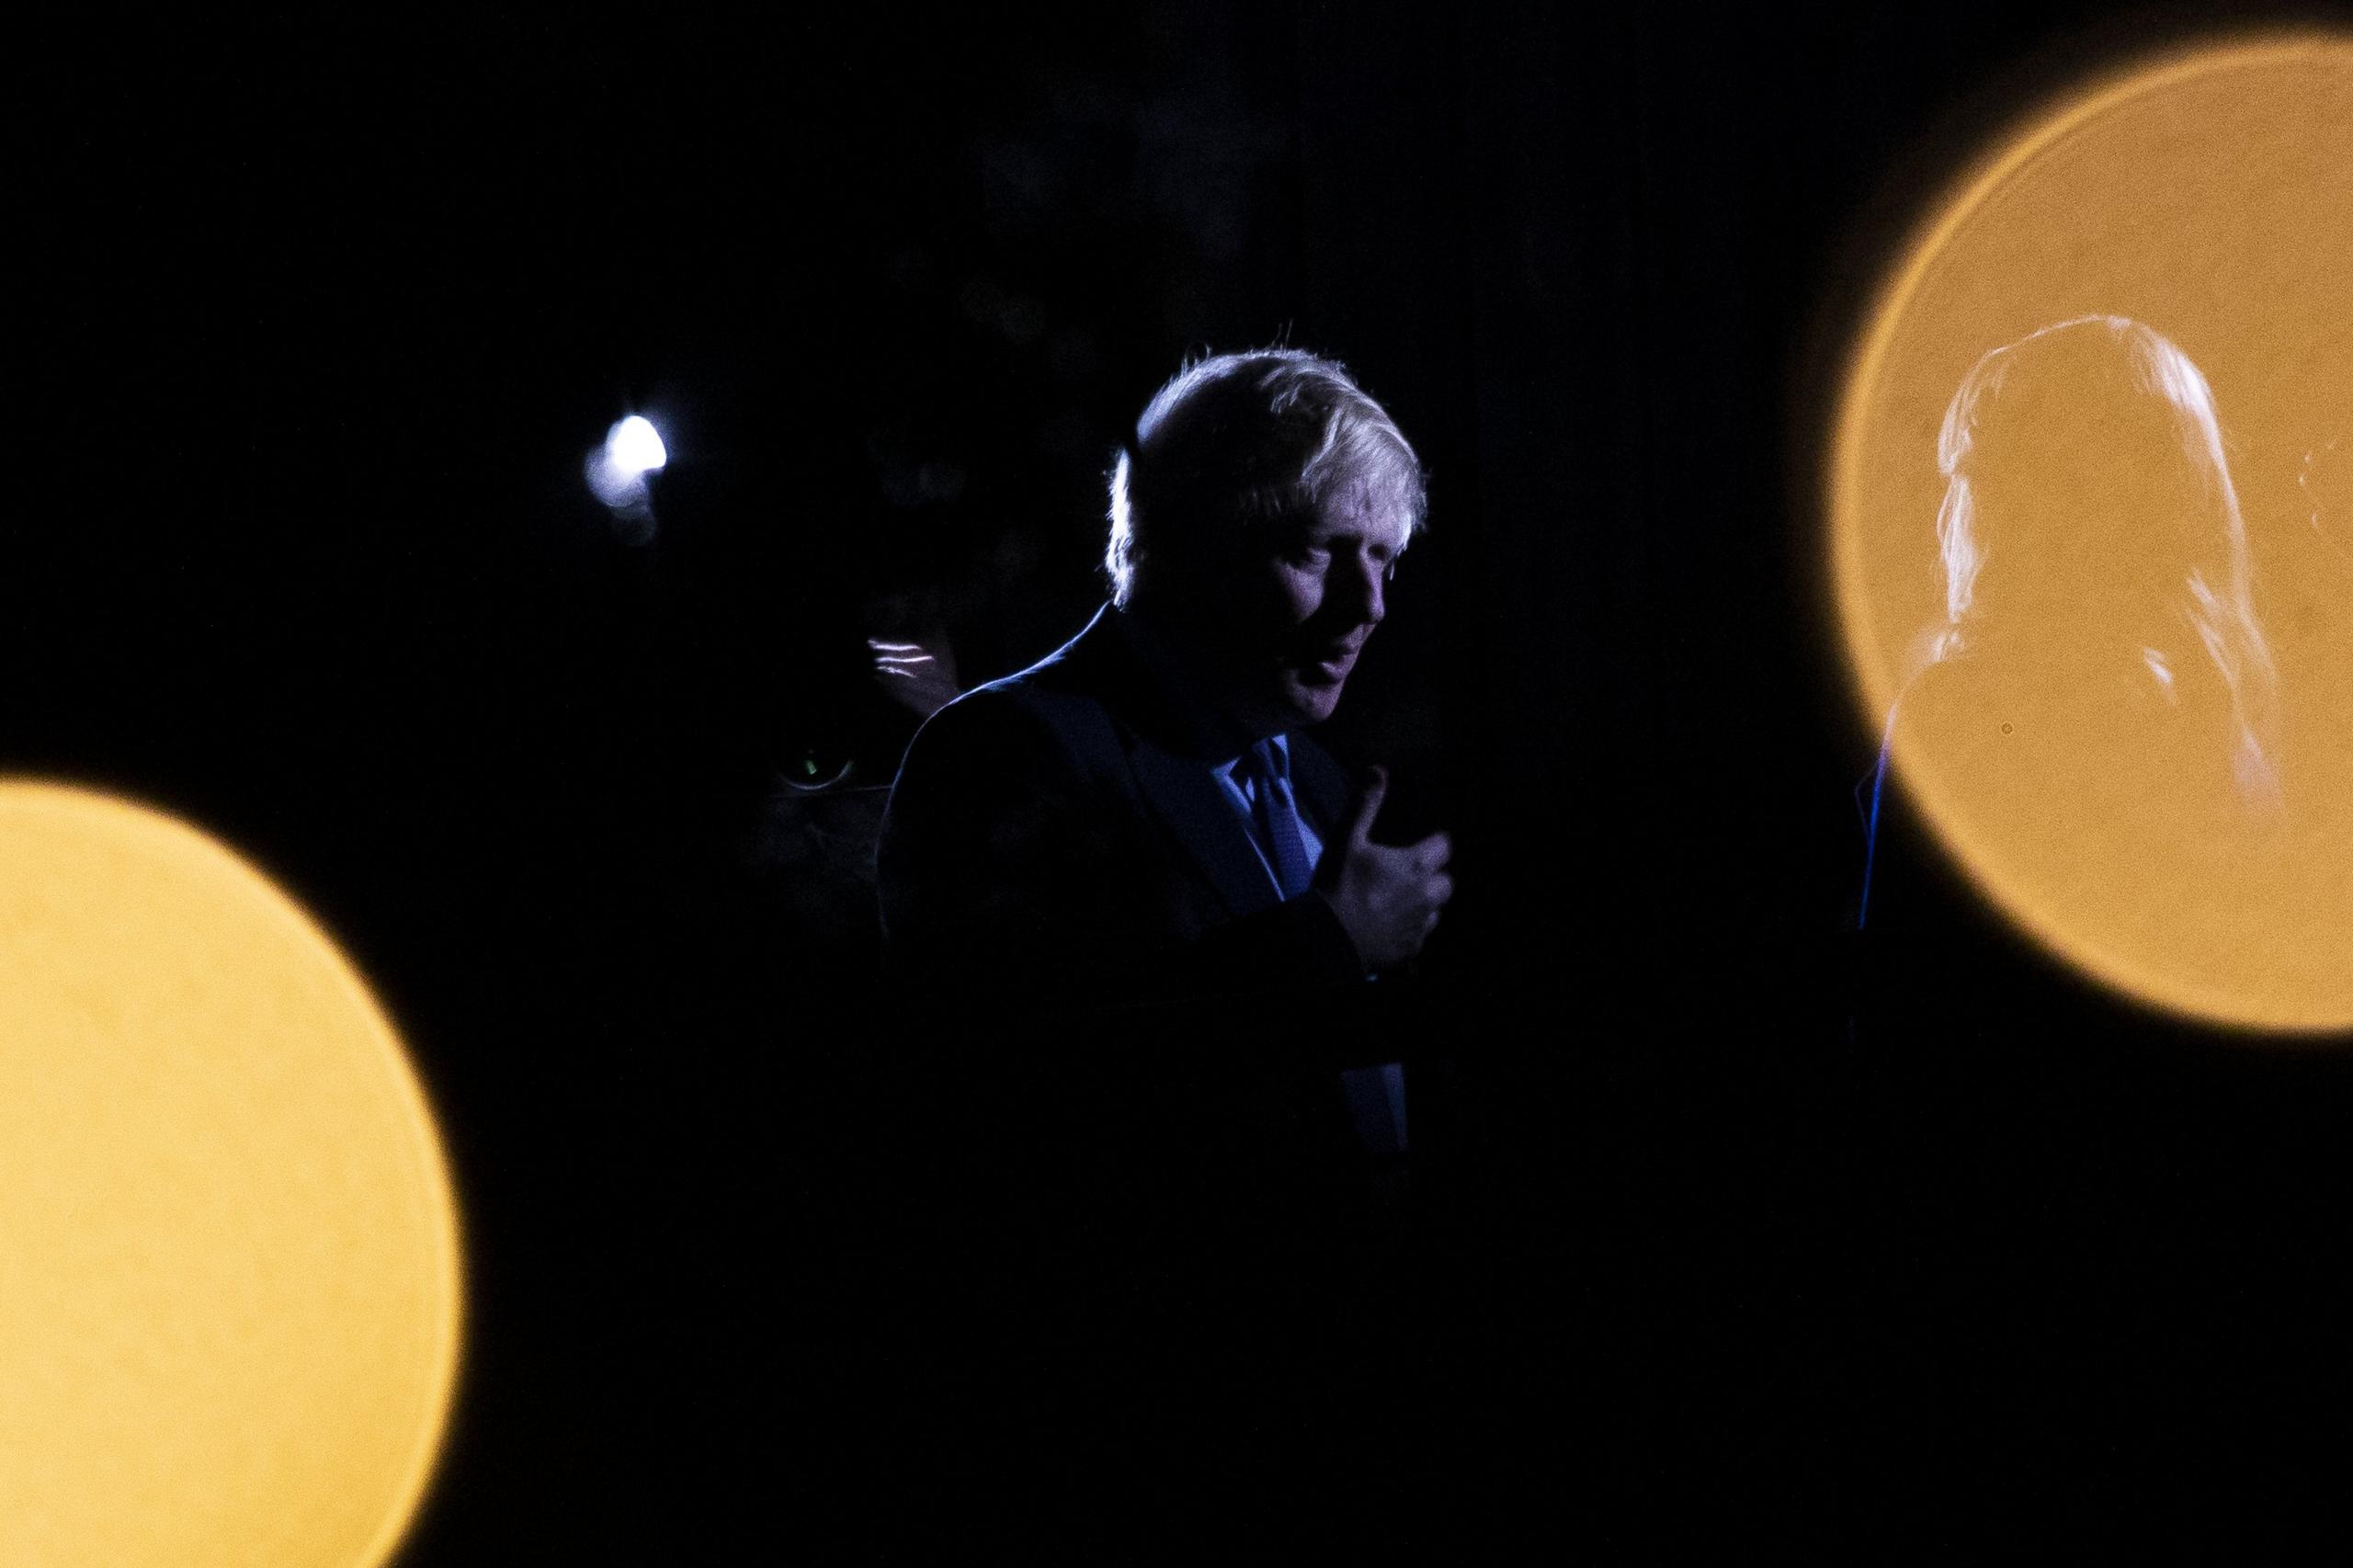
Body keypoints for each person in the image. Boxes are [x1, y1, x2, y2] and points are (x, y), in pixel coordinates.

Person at [870, 351, 1454, 1466]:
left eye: (1383, 558)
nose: (1369, 603)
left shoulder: (1325, 785)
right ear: (1185, 544)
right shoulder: (1007, 751)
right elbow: (1015, 1093)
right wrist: (1328, 945)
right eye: (1316, 552)